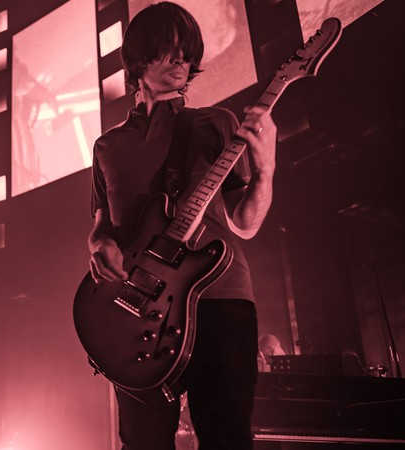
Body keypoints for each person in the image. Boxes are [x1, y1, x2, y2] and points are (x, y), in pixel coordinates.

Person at [88, 3, 276, 450]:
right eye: (169, 50)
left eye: (187, 53)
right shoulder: (107, 146)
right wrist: (98, 245)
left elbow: (245, 224)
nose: (181, 61)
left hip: (220, 300)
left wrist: (266, 170)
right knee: (144, 443)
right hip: (138, 312)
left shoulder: (217, 123)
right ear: (138, 60)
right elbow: (100, 228)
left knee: (228, 438)